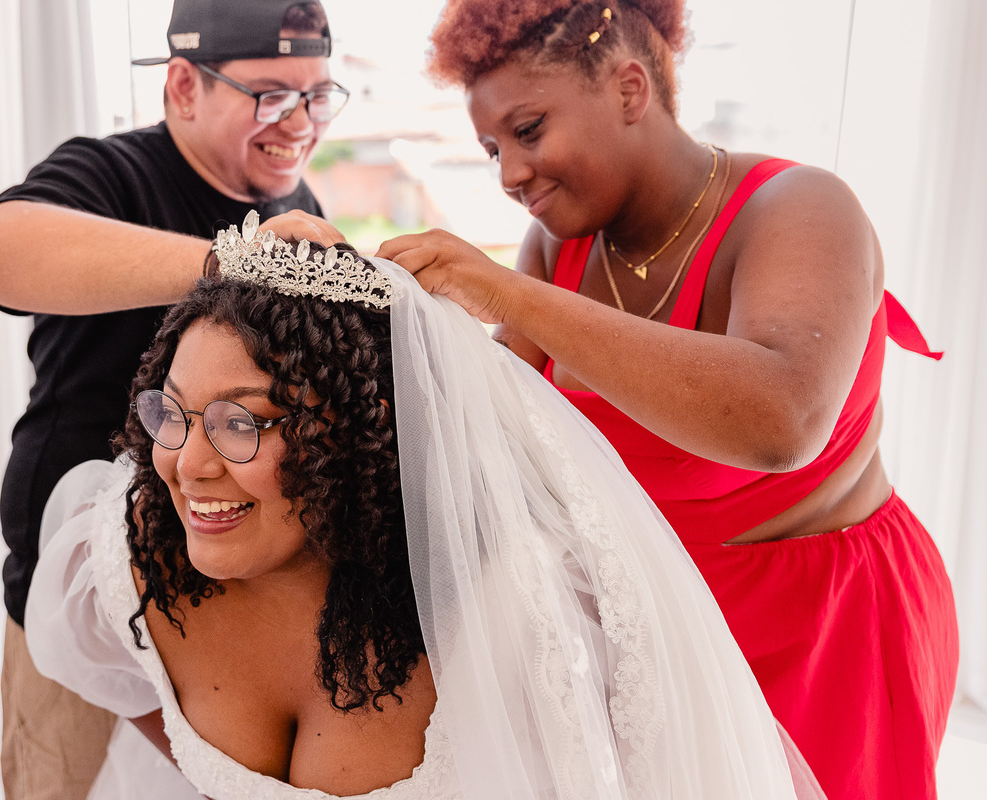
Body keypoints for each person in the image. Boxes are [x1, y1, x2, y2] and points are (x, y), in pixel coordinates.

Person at [26, 216, 826, 799]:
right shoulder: (134, 553)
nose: (186, 464)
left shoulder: (516, 618)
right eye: (172, 412)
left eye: (242, 423)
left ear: (353, 438)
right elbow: (121, 682)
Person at [374, 2, 958, 800]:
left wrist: (505, 291)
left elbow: (780, 421)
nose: (509, 174)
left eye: (530, 130)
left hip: (824, 628)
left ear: (628, 87)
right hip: (660, 626)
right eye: (491, 149)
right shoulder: (560, 242)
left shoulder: (802, 208)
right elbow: (503, 431)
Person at [0, 1, 347, 795]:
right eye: (270, 95)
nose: (299, 123)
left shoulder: (296, 205)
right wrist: (226, 261)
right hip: (77, 597)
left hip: (224, 614)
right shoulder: (112, 172)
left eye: (318, 96)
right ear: (182, 86)